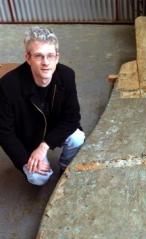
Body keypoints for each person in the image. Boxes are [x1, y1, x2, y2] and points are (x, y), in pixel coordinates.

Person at [0, 27, 85, 186]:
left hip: (53, 129)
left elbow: (72, 118)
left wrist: (44, 146)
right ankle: (37, 166)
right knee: (38, 178)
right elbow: (4, 132)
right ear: (28, 57)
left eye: (50, 56)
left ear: (57, 57)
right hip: (28, 137)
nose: (46, 62)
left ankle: (65, 167)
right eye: (38, 56)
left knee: (77, 138)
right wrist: (26, 160)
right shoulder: (8, 85)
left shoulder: (66, 75)